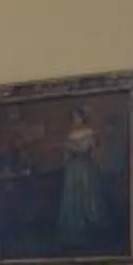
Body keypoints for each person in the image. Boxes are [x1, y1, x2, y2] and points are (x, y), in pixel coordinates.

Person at [56, 104, 111, 250]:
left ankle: (93, 226)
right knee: (73, 196)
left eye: (78, 116)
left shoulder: (89, 131)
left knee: (88, 195)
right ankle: (74, 228)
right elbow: (66, 153)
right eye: (73, 117)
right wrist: (67, 151)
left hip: (85, 168)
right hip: (72, 169)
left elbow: (87, 149)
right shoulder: (70, 133)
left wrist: (74, 147)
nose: (76, 119)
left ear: (82, 117)